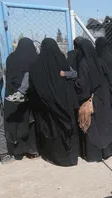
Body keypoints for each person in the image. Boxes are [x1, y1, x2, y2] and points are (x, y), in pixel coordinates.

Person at [27, 38, 80, 167]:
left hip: (45, 106)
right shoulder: (61, 60)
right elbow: (73, 77)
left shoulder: (35, 65)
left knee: (50, 128)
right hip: (64, 105)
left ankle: (53, 155)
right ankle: (70, 157)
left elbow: (32, 87)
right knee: (66, 128)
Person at [73, 38, 112, 162]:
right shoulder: (100, 61)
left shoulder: (83, 63)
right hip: (104, 97)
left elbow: (83, 85)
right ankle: (109, 150)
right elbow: (111, 79)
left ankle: (95, 154)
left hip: (92, 100)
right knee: (106, 123)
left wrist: (75, 83)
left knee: (94, 126)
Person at [4, 38, 39, 158]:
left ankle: (17, 151)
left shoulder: (11, 58)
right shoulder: (33, 58)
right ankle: (32, 149)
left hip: (12, 95)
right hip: (30, 97)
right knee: (31, 123)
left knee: (16, 123)